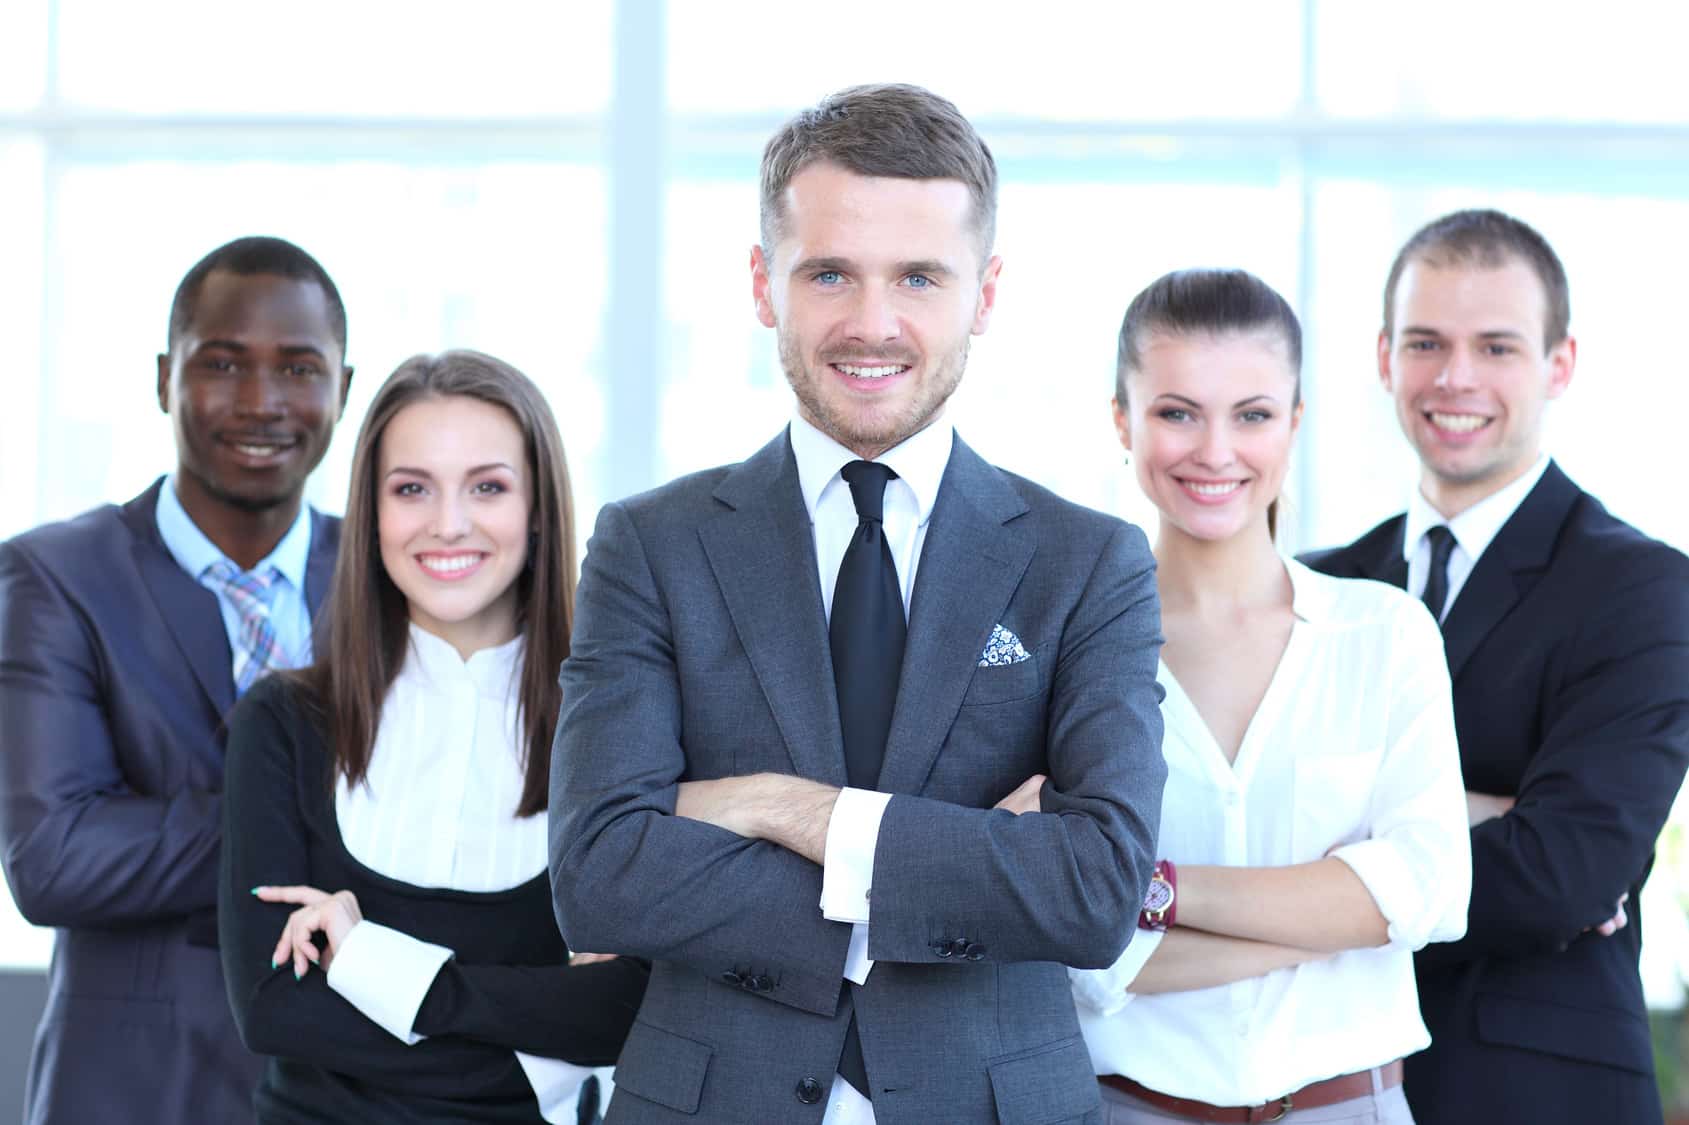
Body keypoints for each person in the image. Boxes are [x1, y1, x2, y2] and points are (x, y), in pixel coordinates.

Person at [547, 83, 1167, 1124]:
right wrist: (967, 860)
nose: (873, 325)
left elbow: (1096, 890)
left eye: (919, 277)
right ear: (762, 283)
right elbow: (601, 874)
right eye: (830, 272)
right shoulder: (650, 546)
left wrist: (783, 813)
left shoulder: (1089, 563)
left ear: (986, 292)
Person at [1304, 208, 1689, 1125]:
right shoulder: (1314, 586)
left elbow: (1564, 873)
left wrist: (1303, 864)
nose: (1455, 377)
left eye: (1496, 347)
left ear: (1559, 364)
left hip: (1529, 1091)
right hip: (1314, 1082)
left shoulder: (1640, 586)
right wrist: (1471, 815)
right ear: (1384, 356)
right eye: (1426, 342)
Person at [1068, 268, 1470, 1124]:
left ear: (1292, 425)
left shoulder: (1385, 634)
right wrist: (1341, 914)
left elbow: (1429, 892)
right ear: (1120, 420)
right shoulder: (1068, 651)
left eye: (1251, 414)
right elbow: (1065, 942)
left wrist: (1156, 892)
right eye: (1177, 412)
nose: (1215, 450)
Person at [218, 351, 648, 1124]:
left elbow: (618, 1010)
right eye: (411, 488)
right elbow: (273, 1006)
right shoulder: (283, 722)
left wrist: (371, 962)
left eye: (487, 486)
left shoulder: (619, 726)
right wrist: (529, 1042)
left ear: (538, 506)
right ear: (371, 511)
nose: (448, 523)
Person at [0, 236, 352, 1125]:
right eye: (223, 363)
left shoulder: (390, 576)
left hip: (358, 1080)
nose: (262, 402)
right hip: (136, 1089)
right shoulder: (57, 578)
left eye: (300, 367)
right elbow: (53, 860)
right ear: (165, 377)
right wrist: (315, 823)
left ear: (345, 387)